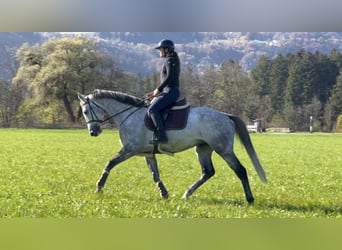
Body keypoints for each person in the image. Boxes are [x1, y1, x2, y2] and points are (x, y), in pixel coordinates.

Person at [146, 39, 181, 144]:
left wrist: (158, 89)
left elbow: (169, 78)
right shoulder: (171, 59)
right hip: (168, 92)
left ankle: (162, 136)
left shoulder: (170, 60)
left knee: (152, 110)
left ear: (166, 49)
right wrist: (155, 93)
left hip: (171, 92)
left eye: (160, 49)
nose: (159, 51)